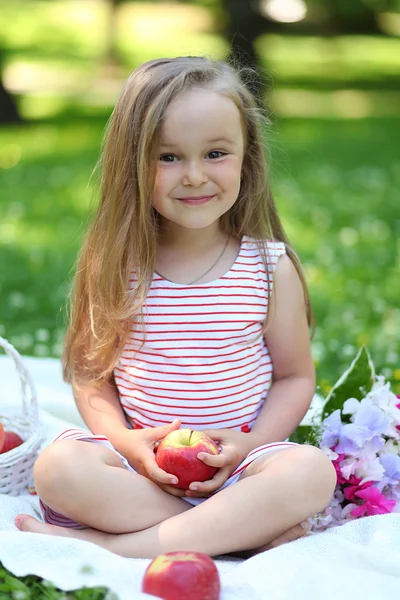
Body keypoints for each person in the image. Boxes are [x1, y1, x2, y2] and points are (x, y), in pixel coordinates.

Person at [15, 56, 336, 558]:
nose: (193, 176)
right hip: (140, 477)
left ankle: (109, 546)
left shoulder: (269, 267)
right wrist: (125, 443)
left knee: (312, 473)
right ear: (132, 164)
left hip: (239, 472)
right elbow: (90, 377)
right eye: (168, 157)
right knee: (56, 470)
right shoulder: (116, 267)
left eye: (215, 153)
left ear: (246, 157)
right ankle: (238, 532)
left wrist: (250, 447)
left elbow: (294, 377)